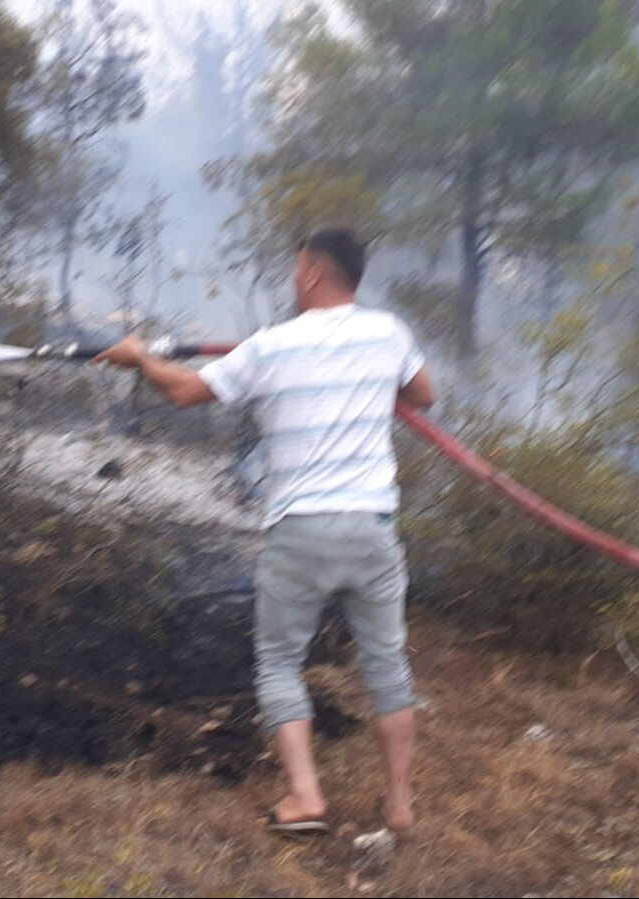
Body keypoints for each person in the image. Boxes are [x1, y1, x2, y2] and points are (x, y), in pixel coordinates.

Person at [94, 228, 434, 835]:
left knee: (278, 662)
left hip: (302, 531)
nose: (292, 278)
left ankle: (305, 797)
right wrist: (366, 384)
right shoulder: (389, 333)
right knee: (386, 667)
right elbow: (424, 395)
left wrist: (140, 358)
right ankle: (400, 803)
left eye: (296, 268)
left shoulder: (271, 345)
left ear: (312, 273)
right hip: (372, 528)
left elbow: (186, 391)